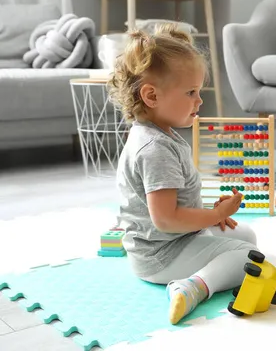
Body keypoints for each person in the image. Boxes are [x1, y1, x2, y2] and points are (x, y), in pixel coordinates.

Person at [107, 24, 259, 325]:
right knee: (249, 258)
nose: (199, 101)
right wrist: (214, 217)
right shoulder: (155, 149)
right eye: (191, 92)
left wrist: (210, 214)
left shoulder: (159, 135)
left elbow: (172, 211)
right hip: (160, 256)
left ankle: (198, 274)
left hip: (169, 242)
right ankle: (193, 287)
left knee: (247, 236)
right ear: (151, 96)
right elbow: (166, 219)